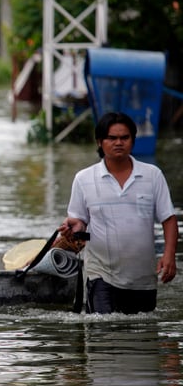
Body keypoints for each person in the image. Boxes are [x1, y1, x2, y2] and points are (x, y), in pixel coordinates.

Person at [58, 112, 178, 314]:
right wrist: (76, 227)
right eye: (111, 138)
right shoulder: (84, 179)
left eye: (124, 137)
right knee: (103, 331)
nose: (118, 143)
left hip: (142, 277)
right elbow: (79, 222)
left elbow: (168, 219)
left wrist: (169, 254)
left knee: (141, 336)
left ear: (133, 140)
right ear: (100, 142)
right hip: (101, 274)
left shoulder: (152, 175)